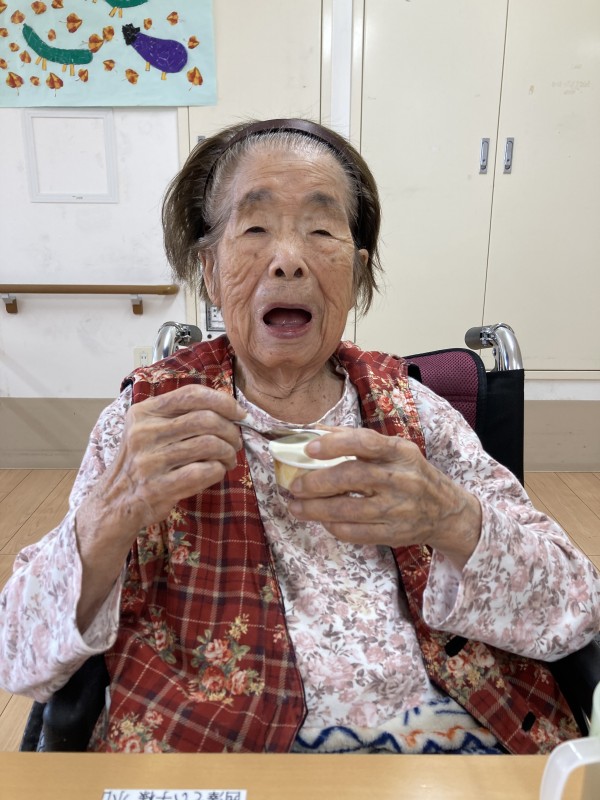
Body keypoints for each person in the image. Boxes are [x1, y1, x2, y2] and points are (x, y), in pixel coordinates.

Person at [1, 118, 598, 755]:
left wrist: (452, 518)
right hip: (213, 756)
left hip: (443, 753)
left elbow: (576, 608)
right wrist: (108, 515)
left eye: (320, 230)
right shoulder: (150, 420)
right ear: (210, 269)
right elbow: (20, 658)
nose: (288, 259)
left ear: (356, 274)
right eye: (255, 229)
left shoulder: (417, 414)